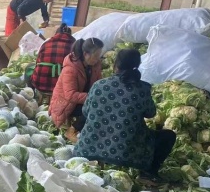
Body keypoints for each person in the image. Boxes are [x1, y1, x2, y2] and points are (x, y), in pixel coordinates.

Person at [75, 49, 176, 177]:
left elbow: (85, 111)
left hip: (89, 148)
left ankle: (97, 160)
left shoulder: (98, 85)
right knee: (168, 136)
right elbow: (151, 113)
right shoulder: (142, 88)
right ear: (137, 66)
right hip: (127, 153)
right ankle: (147, 175)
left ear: (116, 64)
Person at [49, 37, 104, 141]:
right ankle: (72, 130)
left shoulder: (94, 65)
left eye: (99, 56)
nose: (98, 59)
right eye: (96, 56)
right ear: (85, 54)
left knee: (102, 104)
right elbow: (70, 95)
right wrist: (92, 97)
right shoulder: (71, 69)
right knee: (95, 107)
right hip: (66, 104)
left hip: (82, 99)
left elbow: (98, 83)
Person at [30, 23, 75, 103]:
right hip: (63, 88)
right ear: (70, 35)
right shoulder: (74, 46)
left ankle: (32, 94)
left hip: (40, 84)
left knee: (29, 68)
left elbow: (37, 63)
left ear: (56, 34)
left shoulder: (46, 43)